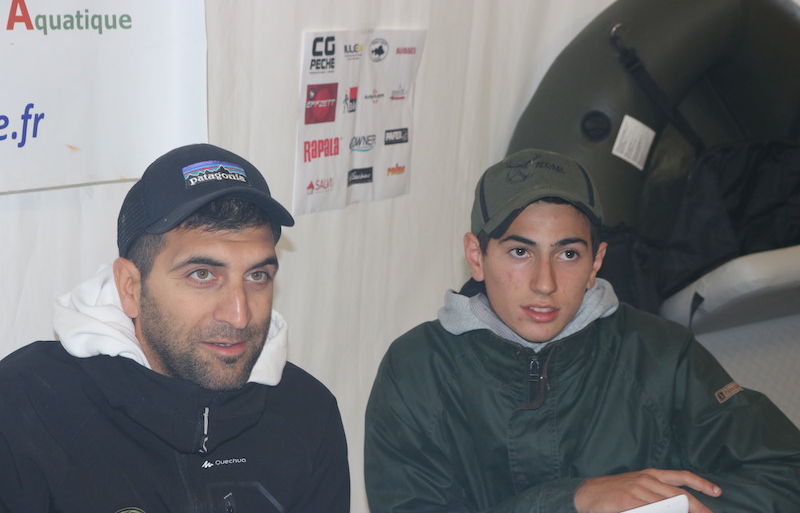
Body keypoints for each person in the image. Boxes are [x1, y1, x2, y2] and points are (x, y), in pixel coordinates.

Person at [364, 148, 800, 513]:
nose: (545, 282)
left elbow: (786, 475)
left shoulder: (661, 353)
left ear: (596, 262)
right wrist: (574, 499)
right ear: (476, 256)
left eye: (568, 254)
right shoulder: (418, 369)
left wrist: (665, 506)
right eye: (520, 252)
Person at [0, 144, 350, 512]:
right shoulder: (25, 408)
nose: (239, 315)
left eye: (257, 276)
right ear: (130, 288)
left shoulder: (306, 412)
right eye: (202, 275)